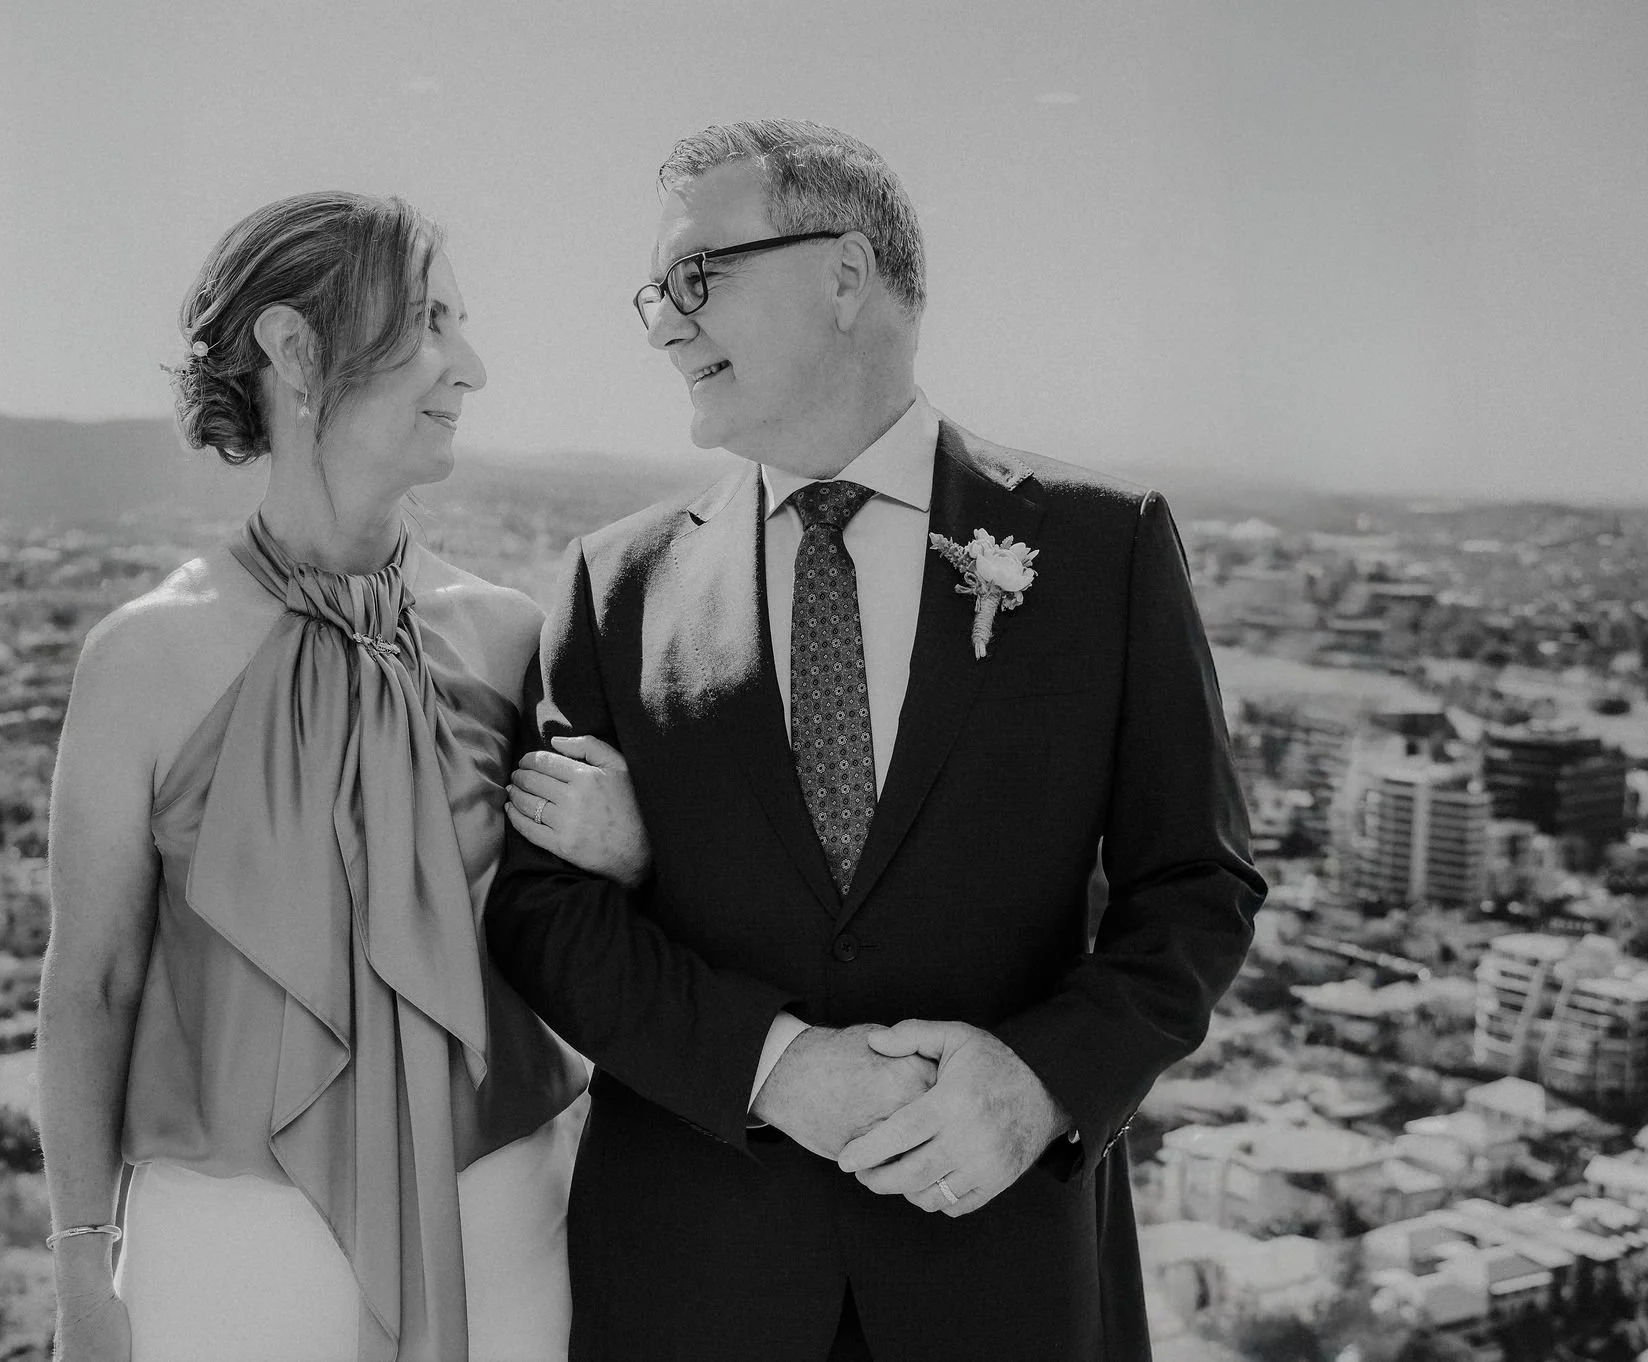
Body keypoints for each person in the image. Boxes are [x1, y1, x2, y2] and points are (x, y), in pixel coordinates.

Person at [486, 120, 1266, 1361]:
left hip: (997, 1272)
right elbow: (541, 915)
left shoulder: (1100, 548)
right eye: (654, 295)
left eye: (698, 278)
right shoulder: (613, 580)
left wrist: (1040, 1082)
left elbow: (1197, 888)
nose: (663, 327)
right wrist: (777, 1065)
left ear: (845, 274)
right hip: (690, 1282)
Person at [37, 192, 638, 1362]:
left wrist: (631, 853)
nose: (468, 366)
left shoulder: (515, 639)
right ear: (292, 349)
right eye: (427, 324)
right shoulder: (141, 660)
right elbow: (91, 985)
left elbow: (587, 943)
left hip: (506, 1232)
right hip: (223, 1259)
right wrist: (77, 1269)